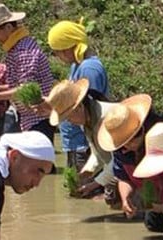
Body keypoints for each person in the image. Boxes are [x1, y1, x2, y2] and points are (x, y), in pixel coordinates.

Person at [96, 95, 163, 232]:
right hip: (155, 197)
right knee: (153, 227)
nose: (125, 149)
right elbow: (123, 177)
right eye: (121, 144)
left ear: (141, 130)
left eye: (129, 142)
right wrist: (126, 199)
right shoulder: (122, 148)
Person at [46, 19, 110, 192]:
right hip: (79, 141)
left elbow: (90, 108)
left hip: (85, 144)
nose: (58, 57)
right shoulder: (78, 64)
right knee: (77, 190)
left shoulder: (89, 69)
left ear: (67, 49)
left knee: (87, 193)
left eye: (57, 52)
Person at [0, 3, 55, 139]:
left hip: (38, 116)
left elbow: (25, 88)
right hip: (28, 117)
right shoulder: (17, 48)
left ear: (8, 27)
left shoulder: (24, 51)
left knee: (35, 160)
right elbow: (18, 84)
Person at [45, 78, 119, 203]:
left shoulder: (109, 118)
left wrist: (94, 184)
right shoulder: (85, 120)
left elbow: (118, 161)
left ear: (79, 107)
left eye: (68, 117)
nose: (68, 121)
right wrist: (87, 171)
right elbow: (98, 152)